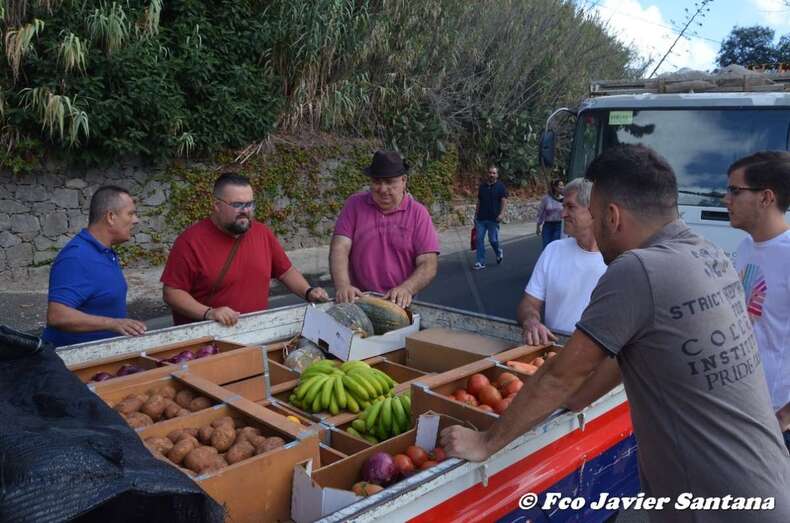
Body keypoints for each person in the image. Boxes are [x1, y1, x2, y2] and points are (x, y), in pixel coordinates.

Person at [441, 144, 790, 522]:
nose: (592, 226)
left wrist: (485, 442)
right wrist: (576, 401)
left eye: (593, 215)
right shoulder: (709, 254)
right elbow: (625, 355)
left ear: (612, 216)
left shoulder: (638, 269)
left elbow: (561, 375)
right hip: (767, 483)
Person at [161, 173, 329, 326]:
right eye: (237, 205)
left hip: (255, 332)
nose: (246, 210)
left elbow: (285, 271)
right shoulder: (190, 242)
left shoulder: (262, 232)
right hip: (206, 338)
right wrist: (209, 313)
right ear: (217, 205)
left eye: (249, 204)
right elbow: (172, 293)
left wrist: (308, 292)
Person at [724, 151, 790, 449]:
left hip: (776, 423)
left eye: (735, 191)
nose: (726, 199)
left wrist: (785, 416)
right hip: (742, 409)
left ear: (766, 198)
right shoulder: (745, 247)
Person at [330, 150, 439, 308]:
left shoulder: (418, 213)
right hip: (358, 300)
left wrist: (406, 289)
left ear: (403, 180)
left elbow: (428, 263)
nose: (382, 189)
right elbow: (340, 247)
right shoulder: (354, 205)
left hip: (398, 304)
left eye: (389, 182)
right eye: (377, 181)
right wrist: (343, 285)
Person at [42, 186, 147, 347]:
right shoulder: (76, 257)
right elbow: (58, 316)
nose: (135, 220)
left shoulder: (105, 252)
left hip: (103, 356)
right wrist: (113, 323)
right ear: (111, 217)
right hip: (73, 360)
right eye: (130, 213)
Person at [517, 178, 606, 345]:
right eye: (563, 206)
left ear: (593, 210)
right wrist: (531, 320)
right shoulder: (553, 251)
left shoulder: (619, 261)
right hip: (553, 352)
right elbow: (529, 303)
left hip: (598, 357)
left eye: (570, 207)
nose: (562, 214)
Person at [472, 165, 508, 270]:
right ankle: (480, 262)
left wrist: (502, 214)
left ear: (497, 175)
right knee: (479, 239)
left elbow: (504, 201)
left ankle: (498, 252)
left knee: (493, 240)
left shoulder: (501, 187)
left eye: (494, 173)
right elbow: (479, 201)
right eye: (490, 172)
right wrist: (475, 215)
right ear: (487, 174)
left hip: (493, 219)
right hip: (481, 218)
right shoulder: (482, 187)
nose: (491, 175)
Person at [536, 178, 564, 248]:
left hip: (559, 225)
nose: (562, 187)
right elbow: (540, 212)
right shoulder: (546, 198)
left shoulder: (563, 199)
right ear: (555, 187)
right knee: (546, 246)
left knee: (555, 246)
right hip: (548, 226)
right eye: (560, 185)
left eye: (563, 185)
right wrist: (538, 226)